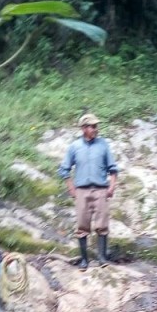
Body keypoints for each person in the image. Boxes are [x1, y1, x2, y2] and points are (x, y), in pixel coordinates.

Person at [58, 113, 118, 269]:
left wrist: (112, 186)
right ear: (84, 128)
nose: (96, 129)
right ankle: (84, 260)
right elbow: (64, 169)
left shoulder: (103, 144)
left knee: (102, 224)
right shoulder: (74, 147)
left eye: (96, 126)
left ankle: (102, 258)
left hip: (100, 189)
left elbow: (112, 168)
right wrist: (71, 188)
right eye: (93, 126)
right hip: (82, 191)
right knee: (82, 225)